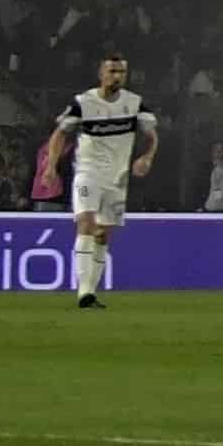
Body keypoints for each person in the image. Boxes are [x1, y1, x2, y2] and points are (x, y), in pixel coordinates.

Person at [53, 52, 155, 307]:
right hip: (87, 172)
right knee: (86, 222)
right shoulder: (82, 103)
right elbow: (60, 134)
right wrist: (49, 167)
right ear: (101, 73)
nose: (117, 76)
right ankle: (84, 292)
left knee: (103, 234)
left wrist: (147, 157)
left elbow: (152, 135)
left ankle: (91, 291)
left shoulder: (135, 104)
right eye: (112, 71)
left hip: (117, 179)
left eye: (121, 72)